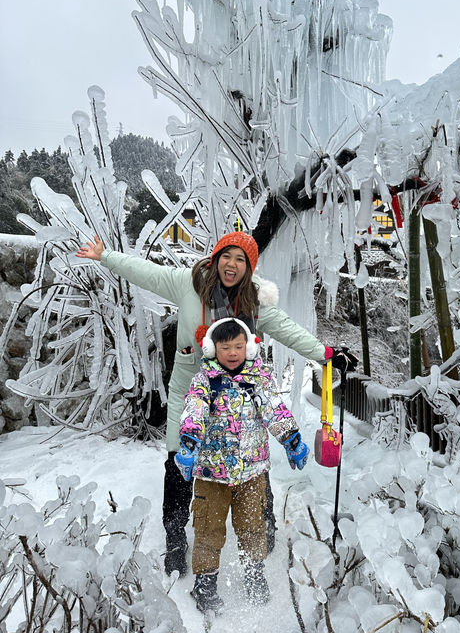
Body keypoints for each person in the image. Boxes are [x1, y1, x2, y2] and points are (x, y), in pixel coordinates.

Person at [75, 230, 357, 575]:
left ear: (249, 268)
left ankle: (261, 530)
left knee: (250, 465)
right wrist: (106, 256)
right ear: (216, 257)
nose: (232, 264)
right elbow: (145, 271)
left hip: (237, 399)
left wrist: (326, 354)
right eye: (228, 256)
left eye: (242, 259)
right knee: (178, 466)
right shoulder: (188, 284)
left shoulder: (254, 303)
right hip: (189, 394)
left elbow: (288, 330)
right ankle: (175, 539)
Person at [176, 317, 308, 613]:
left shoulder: (258, 379)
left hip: (252, 473)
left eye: (238, 346)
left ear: (248, 348)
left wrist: (292, 439)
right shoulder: (204, 380)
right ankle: (205, 583)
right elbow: (193, 409)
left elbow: (275, 410)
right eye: (225, 347)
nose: (233, 352)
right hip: (212, 474)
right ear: (212, 349)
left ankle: (254, 574)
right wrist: (188, 440)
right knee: (208, 528)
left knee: (252, 527)